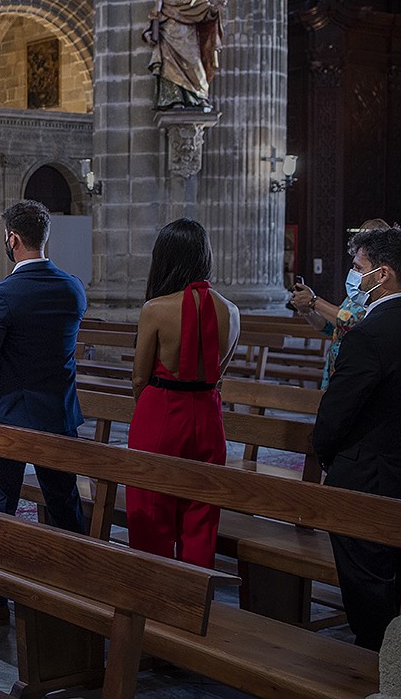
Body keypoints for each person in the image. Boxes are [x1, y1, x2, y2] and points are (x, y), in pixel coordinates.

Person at [314, 226, 401, 650]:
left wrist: (329, 457)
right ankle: (398, 659)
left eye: (359, 267)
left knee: (367, 585)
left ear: (383, 273)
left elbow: (335, 415)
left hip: (364, 474)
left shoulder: (368, 335)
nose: (354, 275)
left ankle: (372, 665)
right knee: (398, 576)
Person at [0, 201, 88, 625]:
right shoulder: (72, 288)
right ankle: (78, 590)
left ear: (12, 239)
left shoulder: (3, 295)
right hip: (58, 415)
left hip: (8, 417)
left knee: (0, 507)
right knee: (65, 504)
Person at [126, 218, 240, 568]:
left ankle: (155, 590)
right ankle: (195, 593)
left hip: (161, 411)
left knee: (151, 510)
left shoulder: (156, 309)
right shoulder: (231, 311)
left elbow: (138, 377)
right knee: (202, 514)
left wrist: (151, 411)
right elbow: (219, 374)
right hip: (207, 415)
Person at [288, 219, 390, 388]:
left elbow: (351, 322)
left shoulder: (380, 294)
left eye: (358, 268)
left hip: (357, 368)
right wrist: (307, 310)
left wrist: (314, 301)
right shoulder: (356, 293)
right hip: (336, 364)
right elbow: (330, 328)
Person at [143, 0, 223, 111]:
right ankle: (175, 99)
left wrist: (215, 9)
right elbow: (154, 17)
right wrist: (148, 33)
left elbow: (205, 13)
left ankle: (199, 97)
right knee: (170, 70)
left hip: (189, 37)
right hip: (168, 37)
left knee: (195, 66)